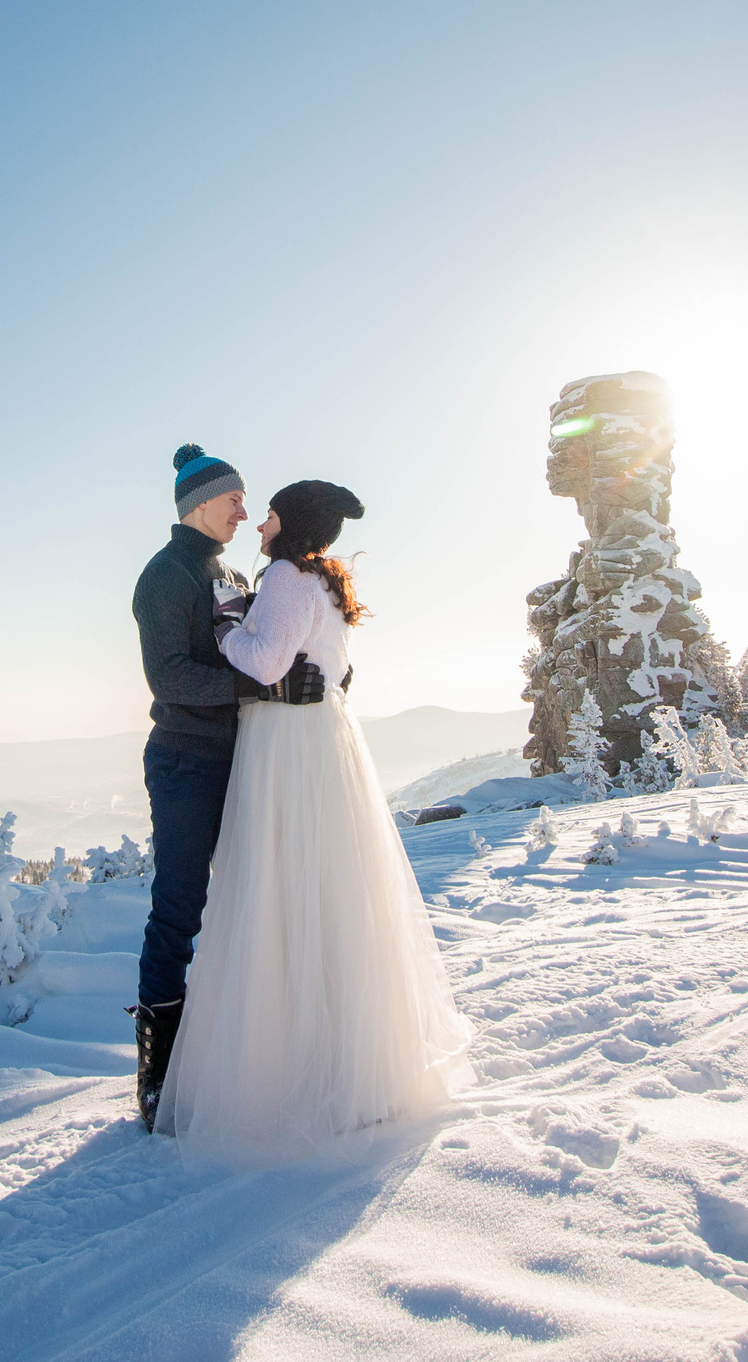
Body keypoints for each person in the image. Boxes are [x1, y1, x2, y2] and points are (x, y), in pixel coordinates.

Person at [153, 479, 473, 1164]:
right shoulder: (326, 580)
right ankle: (346, 1059)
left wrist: (228, 629)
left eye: (268, 512)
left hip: (287, 746)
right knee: (329, 894)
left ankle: (279, 1071)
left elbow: (265, 661)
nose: (258, 521)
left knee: (277, 889)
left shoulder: (283, 578)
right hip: (325, 743)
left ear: (290, 522)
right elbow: (330, 664)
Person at [128, 444, 325, 1132]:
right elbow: (170, 676)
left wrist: (319, 672)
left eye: (245, 501)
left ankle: (239, 1059)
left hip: (244, 757)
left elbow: (268, 648)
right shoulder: (165, 574)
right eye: (235, 500)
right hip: (186, 759)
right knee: (179, 907)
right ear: (199, 503)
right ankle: (157, 1073)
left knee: (253, 901)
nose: (244, 512)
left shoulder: (234, 572)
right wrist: (262, 687)